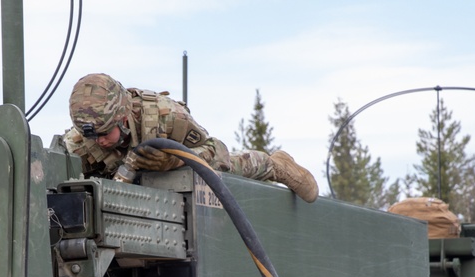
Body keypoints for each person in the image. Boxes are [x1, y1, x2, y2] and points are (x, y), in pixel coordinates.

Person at [62, 73, 319, 202]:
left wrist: (176, 160)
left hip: (181, 170)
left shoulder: (167, 116)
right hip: (131, 193)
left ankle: (278, 166)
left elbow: (215, 151)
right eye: (91, 136)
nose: (99, 141)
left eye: (104, 133)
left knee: (228, 168)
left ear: (123, 117)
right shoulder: (79, 144)